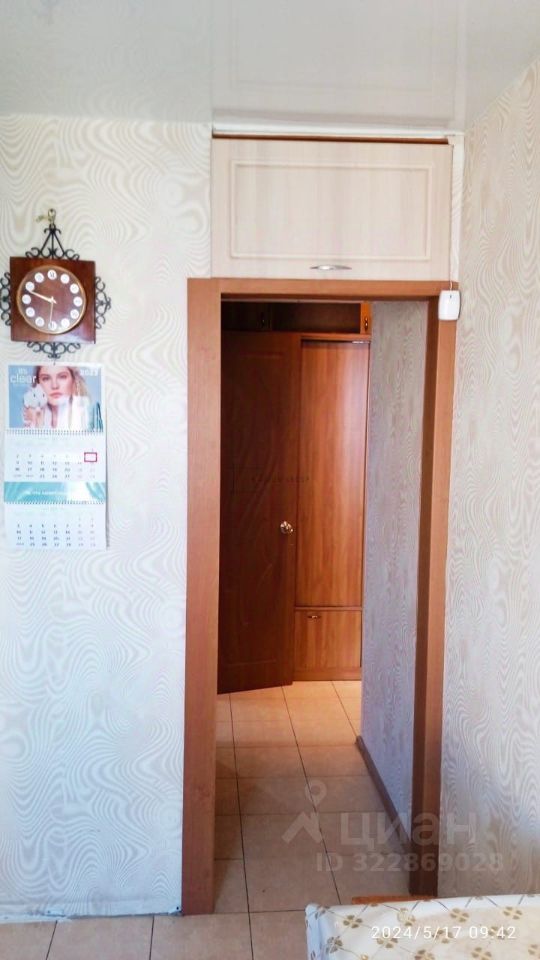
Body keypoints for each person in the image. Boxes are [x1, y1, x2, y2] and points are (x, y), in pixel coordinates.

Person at [22, 365, 102, 431]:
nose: (54, 385)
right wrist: (36, 425)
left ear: (74, 381)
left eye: (62, 377)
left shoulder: (90, 415)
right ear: (38, 384)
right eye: (46, 378)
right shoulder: (32, 416)